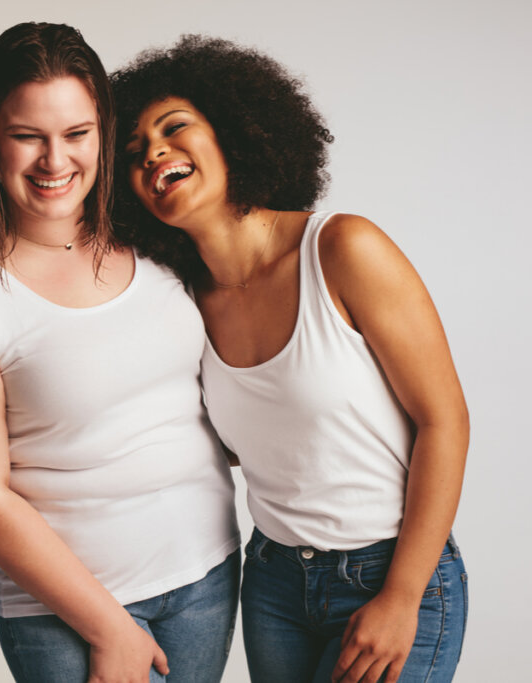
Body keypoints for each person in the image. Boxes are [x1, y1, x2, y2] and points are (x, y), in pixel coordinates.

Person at [111, 35, 469, 683]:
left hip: (389, 570)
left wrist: (402, 594)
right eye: (133, 152)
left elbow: (445, 422)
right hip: (273, 582)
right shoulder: (185, 302)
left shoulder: (343, 249)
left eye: (174, 127)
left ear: (233, 133)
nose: (154, 151)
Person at [0, 23, 240, 683]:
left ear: (104, 133)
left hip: (205, 575)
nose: (54, 161)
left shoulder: (155, 237)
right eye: (27, 136)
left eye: (76, 135)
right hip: (63, 613)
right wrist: (107, 625)